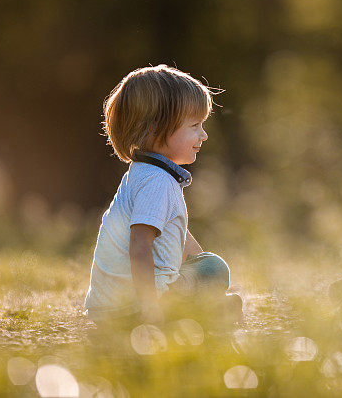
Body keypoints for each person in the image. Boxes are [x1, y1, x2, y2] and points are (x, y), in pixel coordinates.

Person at [85, 65, 241, 326]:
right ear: (155, 129)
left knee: (207, 266)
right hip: (130, 308)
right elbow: (139, 246)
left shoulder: (144, 173)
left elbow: (178, 234)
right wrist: (149, 308)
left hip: (109, 305)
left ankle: (205, 308)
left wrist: (199, 263)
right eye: (194, 125)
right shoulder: (157, 182)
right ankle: (210, 313)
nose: (203, 134)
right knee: (215, 270)